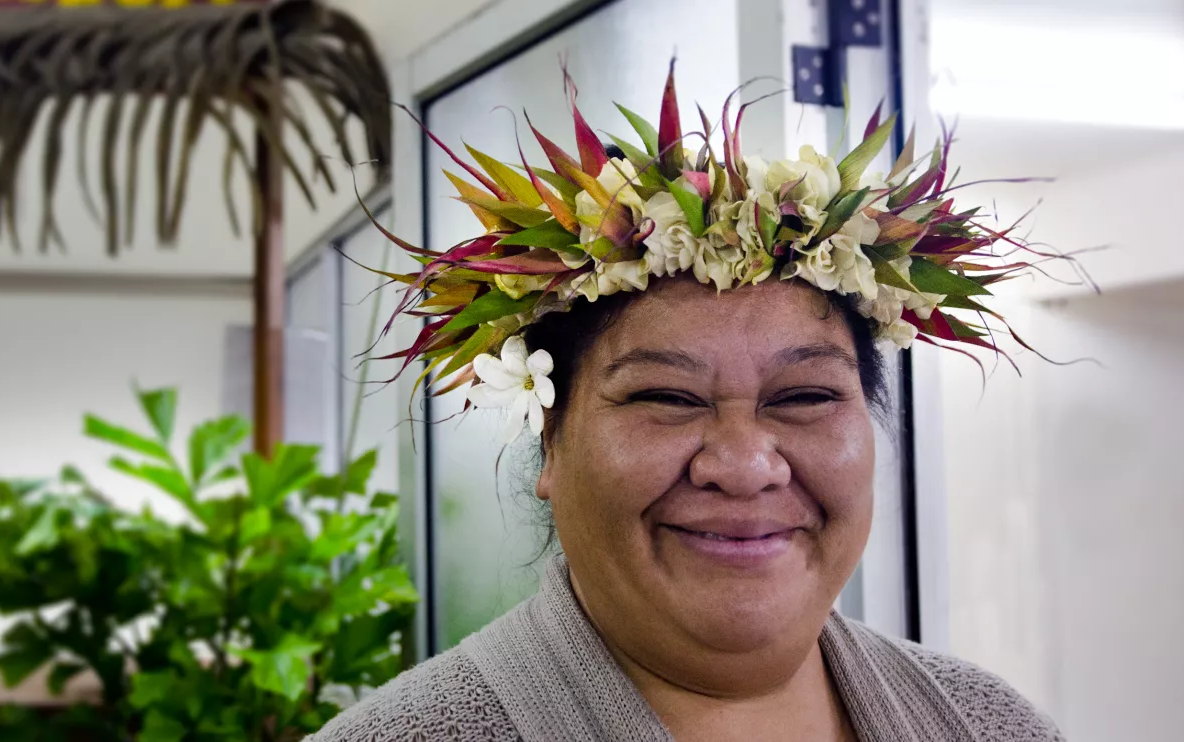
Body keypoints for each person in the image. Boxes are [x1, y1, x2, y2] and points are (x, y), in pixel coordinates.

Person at [312, 65, 1064, 741]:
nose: (743, 467)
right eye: (666, 397)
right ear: (550, 438)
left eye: (803, 396)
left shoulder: (986, 722)